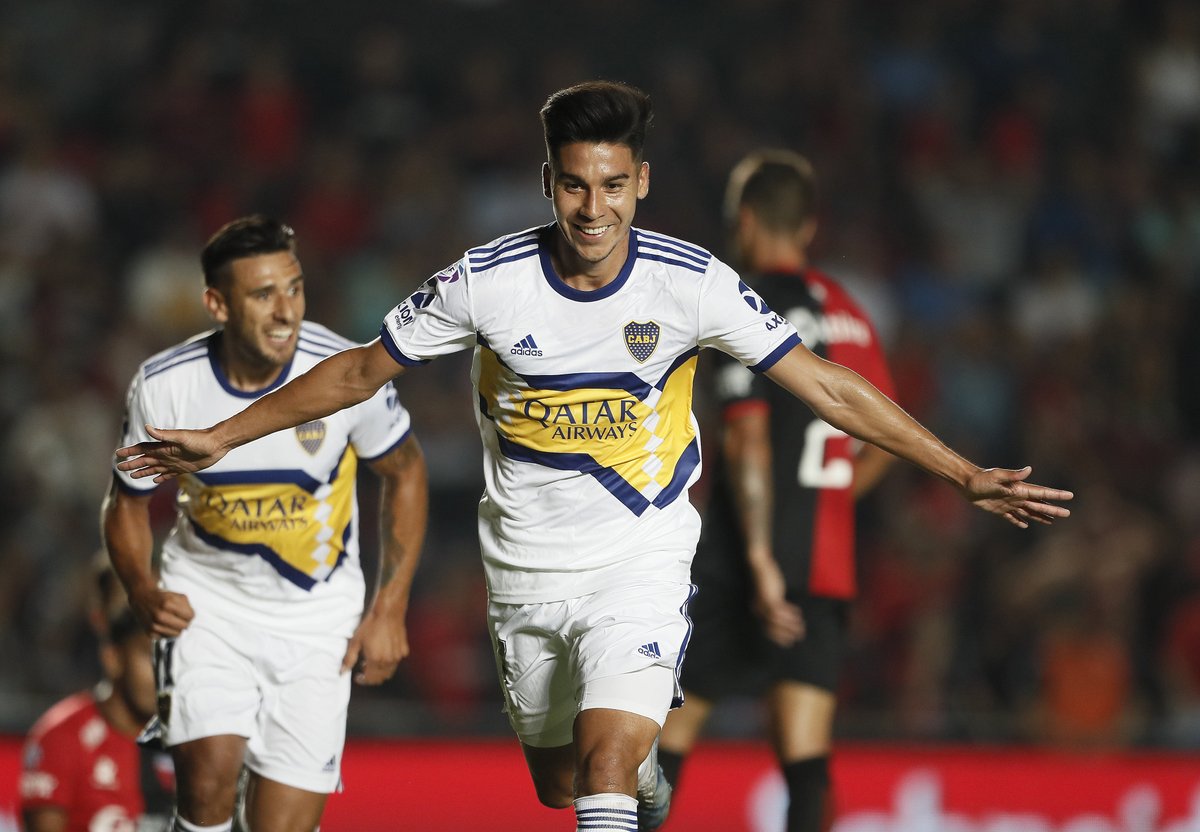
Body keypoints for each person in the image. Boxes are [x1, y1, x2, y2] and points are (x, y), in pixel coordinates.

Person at [114, 82, 1072, 832]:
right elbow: (359, 371)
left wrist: (961, 472)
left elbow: (825, 384)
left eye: (613, 185)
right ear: (549, 183)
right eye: (575, 184)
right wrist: (224, 435)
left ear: (640, 182)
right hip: (525, 574)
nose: (593, 207)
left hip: (640, 563)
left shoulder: (691, 284)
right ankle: (641, 776)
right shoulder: (486, 284)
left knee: (605, 763)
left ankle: (631, 766)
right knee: (563, 781)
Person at [103, 215, 429, 832]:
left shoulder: (344, 372)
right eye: (263, 295)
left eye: (294, 288)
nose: (286, 312)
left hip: (318, 619)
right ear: (217, 304)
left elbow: (406, 471)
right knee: (206, 785)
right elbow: (126, 502)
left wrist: (389, 607)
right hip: (208, 606)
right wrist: (141, 589)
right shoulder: (166, 386)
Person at [656, 150, 897, 831]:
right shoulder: (850, 313)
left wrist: (761, 555)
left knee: (665, 738)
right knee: (805, 756)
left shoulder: (747, 306)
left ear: (745, 219)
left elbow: (748, 440)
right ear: (810, 225)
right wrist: (827, 502)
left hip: (742, 559)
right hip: (822, 566)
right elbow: (884, 435)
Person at [20, 563, 175, 832]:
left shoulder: (187, 741)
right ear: (113, 658)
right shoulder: (62, 737)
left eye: (169, 658)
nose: (161, 673)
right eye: (149, 656)